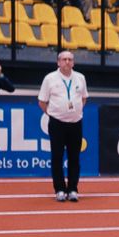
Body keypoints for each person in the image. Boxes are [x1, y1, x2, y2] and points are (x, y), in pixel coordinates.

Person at [37, 51, 88, 201]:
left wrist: (74, 111)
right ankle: (59, 189)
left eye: (70, 59)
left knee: (74, 157)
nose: (67, 62)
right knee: (57, 157)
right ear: (58, 62)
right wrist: (54, 114)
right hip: (57, 123)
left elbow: (84, 98)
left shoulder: (80, 78)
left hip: (75, 123)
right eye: (64, 59)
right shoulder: (50, 79)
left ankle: (72, 189)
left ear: (73, 62)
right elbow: (41, 101)